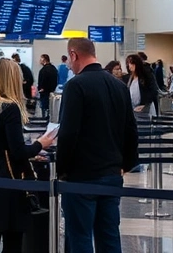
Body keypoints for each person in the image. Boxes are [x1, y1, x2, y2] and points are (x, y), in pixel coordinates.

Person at [57, 38, 139, 253]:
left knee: (80, 236)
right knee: (109, 235)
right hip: (112, 173)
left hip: (81, 176)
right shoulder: (119, 86)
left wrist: (61, 170)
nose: (69, 64)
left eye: (69, 59)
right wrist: (127, 163)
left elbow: (68, 132)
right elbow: (131, 129)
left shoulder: (75, 85)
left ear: (74, 55)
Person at [0, 58, 57, 253]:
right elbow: (17, 152)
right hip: (8, 183)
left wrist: (31, 149)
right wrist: (40, 143)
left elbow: (1, 146)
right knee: (13, 244)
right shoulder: (10, 108)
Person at [37, 53, 58, 119]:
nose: (39, 61)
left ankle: (44, 120)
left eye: (40, 59)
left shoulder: (44, 70)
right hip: (52, 91)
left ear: (44, 59)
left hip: (44, 92)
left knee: (44, 108)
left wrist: (41, 88)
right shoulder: (54, 69)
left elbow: (43, 80)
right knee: (50, 109)